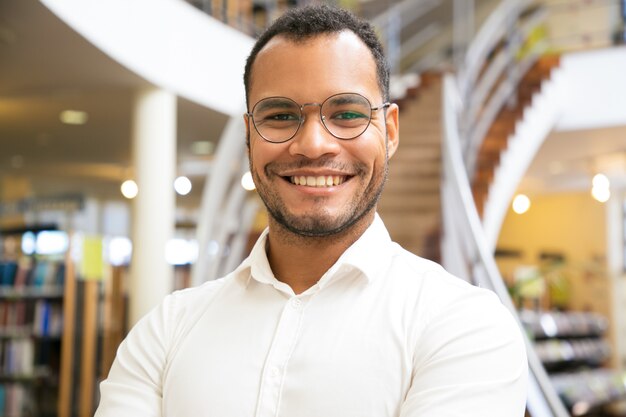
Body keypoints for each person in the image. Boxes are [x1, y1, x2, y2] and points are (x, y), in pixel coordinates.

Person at [94, 5, 528, 416]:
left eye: (347, 113)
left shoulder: (464, 325)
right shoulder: (166, 330)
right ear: (249, 136)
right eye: (281, 116)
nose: (314, 145)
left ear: (390, 130)